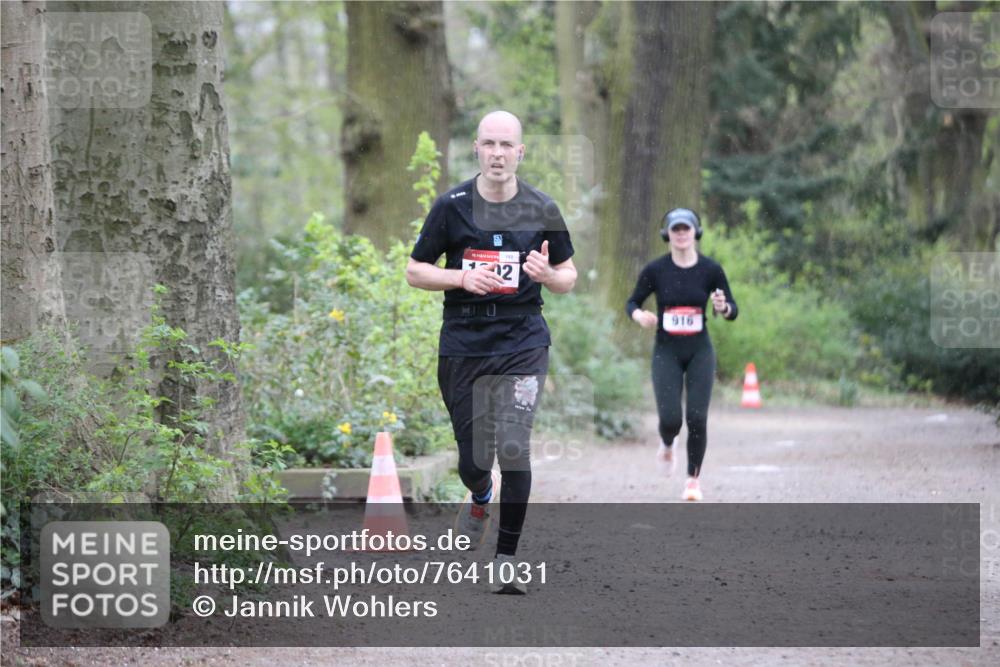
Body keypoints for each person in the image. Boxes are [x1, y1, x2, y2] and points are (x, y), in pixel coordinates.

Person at [406, 110, 577, 593]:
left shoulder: (543, 208)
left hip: (523, 339)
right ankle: (479, 494)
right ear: (476, 150)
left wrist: (548, 277)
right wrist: (460, 276)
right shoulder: (452, 205)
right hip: (463, 342)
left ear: (521, 152)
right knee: (474, 461)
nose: (498, 154)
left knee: (514, 448)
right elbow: (415, 270)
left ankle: (506, 561)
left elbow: (569, 276)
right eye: (489, 144)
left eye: (507, 145)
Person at [625, 208, 738, 502]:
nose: (681, 233)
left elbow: (731, 311)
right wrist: (639, 316)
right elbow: (632, 302)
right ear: (667, 235)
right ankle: (666, 443)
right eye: (675, 229)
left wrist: (723, 306)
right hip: (667, 351)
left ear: (695, 232)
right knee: (672, 418)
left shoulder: (711, 270)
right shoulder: (656, 270)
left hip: (700, 350)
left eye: (686, 228)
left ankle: (692, 480)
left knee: (697, 417)